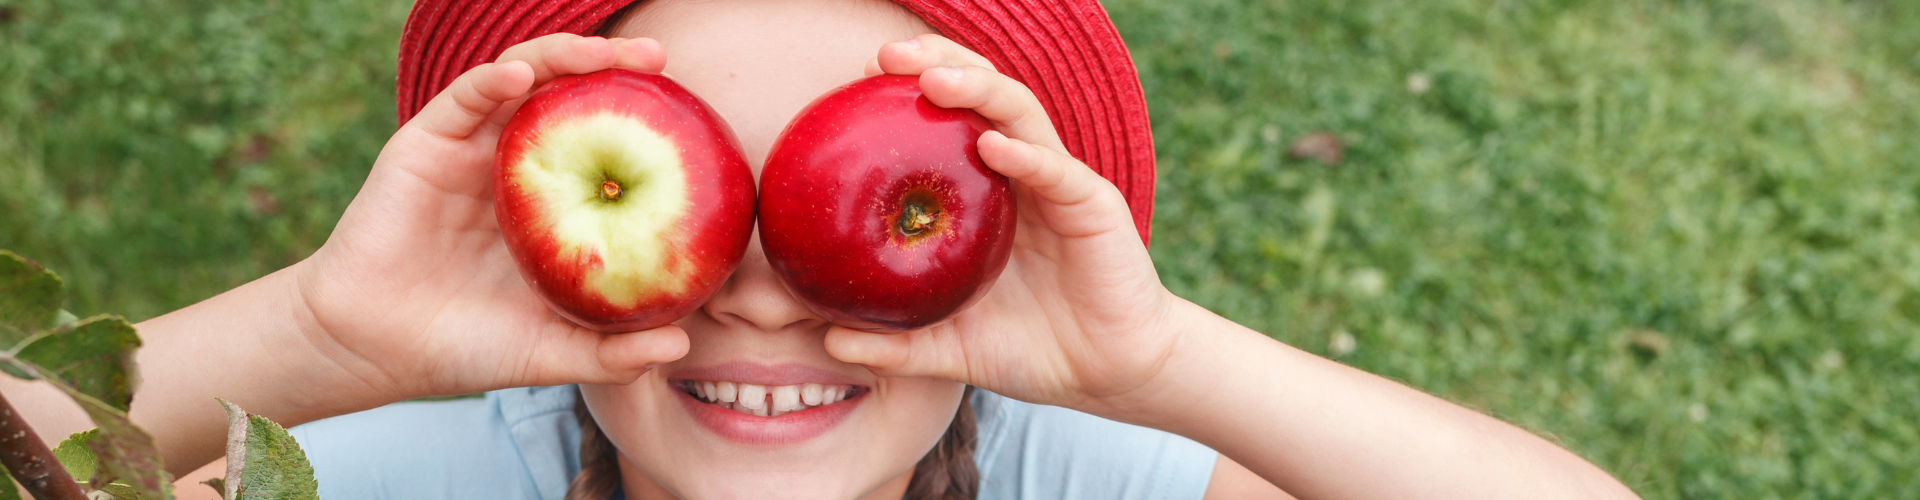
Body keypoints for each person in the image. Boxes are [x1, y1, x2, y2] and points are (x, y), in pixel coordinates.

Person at [5, 0, 1641, 498]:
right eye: (708, 215)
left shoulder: (1073, 467)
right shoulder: (421, 463)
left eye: (835, 228)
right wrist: (327, 332)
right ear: (544, 234)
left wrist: (1161, 368)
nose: (769, 292)